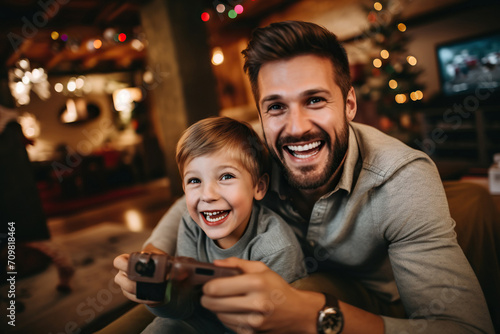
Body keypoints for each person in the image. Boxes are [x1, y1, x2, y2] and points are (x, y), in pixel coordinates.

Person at [115, 21, 494, 333]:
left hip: (370, 306)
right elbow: (199, 192)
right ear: (262, 116)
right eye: (276, 106)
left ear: (349, 104)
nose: (295, 128)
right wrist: (155, 255)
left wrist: (314, 315)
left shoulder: (402, 180)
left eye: (315, 100)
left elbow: (464, 328)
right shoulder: (254, 146)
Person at [134, 116, 307, 333]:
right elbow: (187, 305)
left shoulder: (276, 248)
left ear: (259, 187)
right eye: (194, 181)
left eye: (226, 176)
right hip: (202, 320)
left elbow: (279, 321)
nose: (208, 195)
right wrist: (157, 298)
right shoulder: (190, 225)